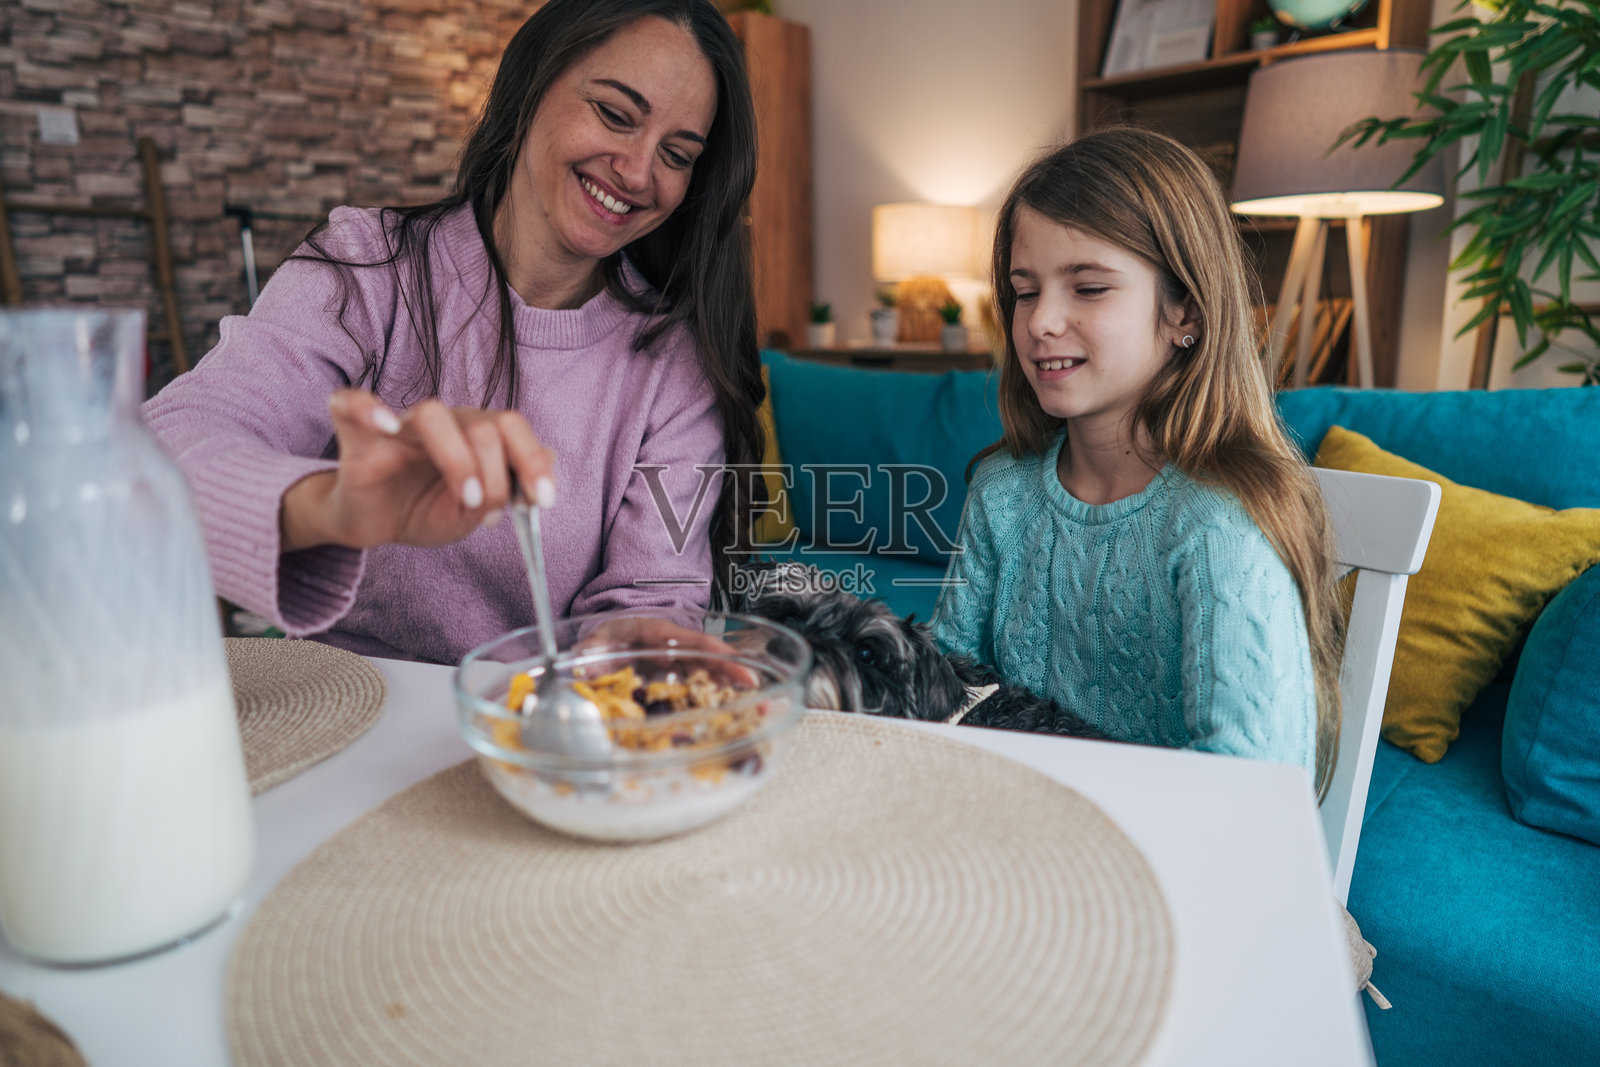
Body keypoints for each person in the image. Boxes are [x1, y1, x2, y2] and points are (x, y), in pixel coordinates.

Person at [144, 0, 764, 665]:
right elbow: (166, 448)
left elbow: (654, 594)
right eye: (615, 114)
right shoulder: (366, 266)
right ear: (531, 86)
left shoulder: (672, 360)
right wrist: (330, 503)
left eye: (676, 153)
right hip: (339, 707)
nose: (640, 173)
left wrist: (632, 641)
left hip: (535, 726)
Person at [929, 128, 1346, 798]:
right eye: (1025, 290)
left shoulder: (1220, 524)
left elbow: (1252, 797)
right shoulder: (1001, 492)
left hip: (1175, 871)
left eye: (1088, 287)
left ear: (1184, 309)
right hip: (1009, 836)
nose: (1040, 321)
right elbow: (938, 694)